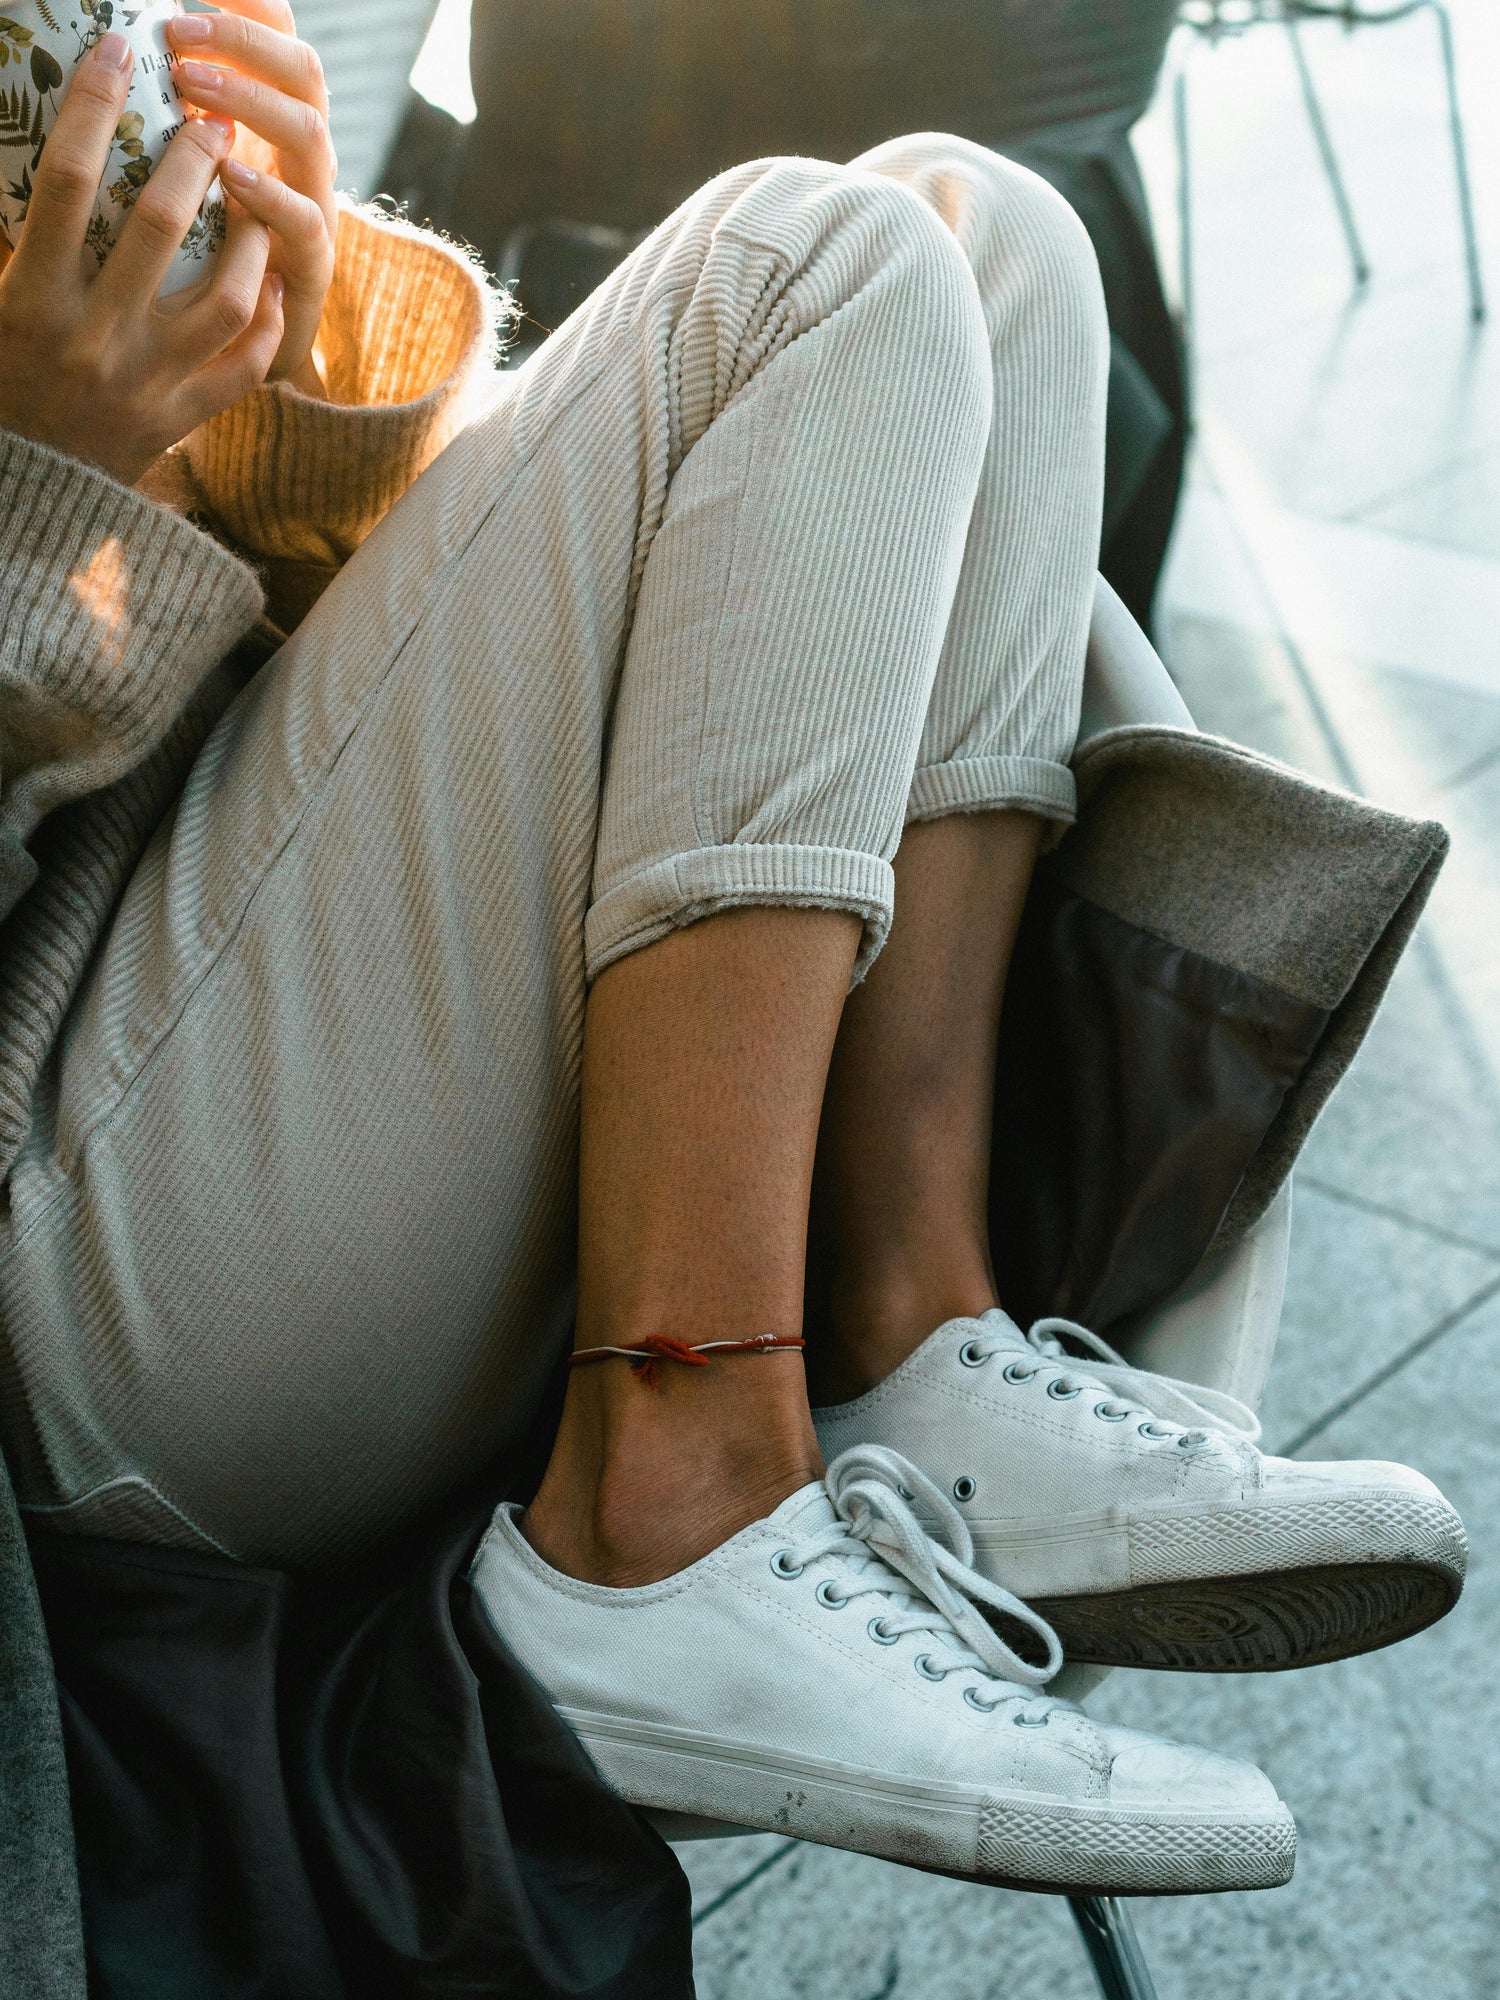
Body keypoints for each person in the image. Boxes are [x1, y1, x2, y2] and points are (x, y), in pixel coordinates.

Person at [0, 2, 1464, 1905]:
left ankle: (908, 1335)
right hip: (84, 1321)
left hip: (215, 1003)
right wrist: (42, 479)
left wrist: (272, 331)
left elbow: (261, 623)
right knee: (807, 263)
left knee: (989, 231)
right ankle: (666, 1500)